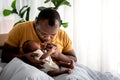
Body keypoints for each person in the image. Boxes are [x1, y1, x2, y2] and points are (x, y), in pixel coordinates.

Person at [1, 8, 77, 79]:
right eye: (43, 33)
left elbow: (74, 59)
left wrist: (58, 55)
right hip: (28, 69)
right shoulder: (20, 29)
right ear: (36, 23)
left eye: (53, 35)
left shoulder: (63, 35)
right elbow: (4, 55)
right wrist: (24, 57)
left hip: (55, 68)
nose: (48, 38)